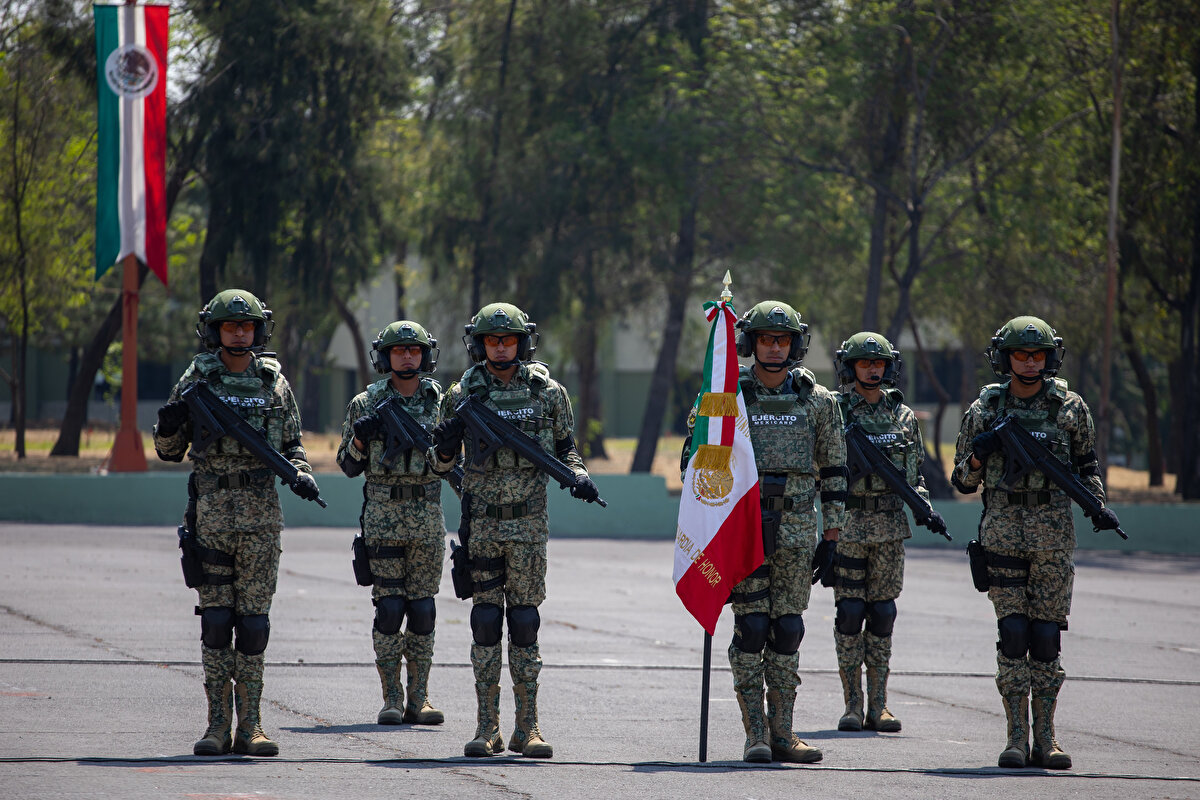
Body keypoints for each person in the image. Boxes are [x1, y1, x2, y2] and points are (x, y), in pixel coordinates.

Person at [428, 303, 600, 759]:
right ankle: (487, 728)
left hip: (528, 526)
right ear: (479, 344)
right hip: (482, 524)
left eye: (508, 340)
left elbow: (568, 450)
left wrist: (579, 476)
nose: (500, 347)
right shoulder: (461, 394)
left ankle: (529, 728)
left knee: (524, 623)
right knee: (486, 623)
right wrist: (446, 452)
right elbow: (439, 465)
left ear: (523, 342)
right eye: (491, 340)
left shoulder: (549, 393)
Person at [153, 289, 320, 757]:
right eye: (231, 326)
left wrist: (301, 473)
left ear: (259, 329)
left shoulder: (274, 382)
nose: (240, 333)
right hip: (212, 515)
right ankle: (215, 726)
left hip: (261, 519)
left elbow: (293, 445)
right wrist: (168, 424)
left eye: (246, 326)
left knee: (253, 624)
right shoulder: (196, 379)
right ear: (214, 331)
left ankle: (252, 726)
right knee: (216, 620)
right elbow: (169, 452)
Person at [952, 316, 1121, 769]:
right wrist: (980, 450)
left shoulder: (1071, 407)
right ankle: (1014, 738)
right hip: (1003, 532)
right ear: (1005, 358)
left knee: (1046, 638)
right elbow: (963, 481)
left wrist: (1097, 505)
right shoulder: (984, 409)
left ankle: (1046, 738)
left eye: (1038, 354)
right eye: (1021, 354)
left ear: (1050, 357)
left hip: (1053, 537)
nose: (1029, 362)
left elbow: (1088, 467)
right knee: (1013, 635)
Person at [684, 300, 846, 764]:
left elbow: (835, 471)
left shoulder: (819, 401)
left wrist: (833, 534)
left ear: (795, 344)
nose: (774, 348)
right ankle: (755, 732)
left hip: (797, 529)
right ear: (749, 344)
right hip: (744, 530)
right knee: (752, 627)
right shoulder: (724, 398)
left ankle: (784, 733)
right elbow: (692, 463)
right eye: (765, 340)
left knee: (788, 629)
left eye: (782, 340)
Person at [831, 332, 946, 733]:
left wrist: (924, 507)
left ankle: (879, 705)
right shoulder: (835, 411)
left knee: (882, 615)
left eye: (878, 363)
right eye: (865, 363)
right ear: (850, 367)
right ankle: (851, 704)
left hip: (890, 529)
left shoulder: (903, 417)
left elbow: (914, 476)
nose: (873, 369)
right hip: (847, 526)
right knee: (849, 614)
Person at [336, 321, 448, 727]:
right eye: (399, 350)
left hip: (427, 519)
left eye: (414, 350)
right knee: (389, 608)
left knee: (423, 610)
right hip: (383, 517)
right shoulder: (366, 403)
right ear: (385, 356)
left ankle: (420, 697)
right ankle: (391, 698)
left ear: (424, 356)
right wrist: (361, 440)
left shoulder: (442, 402)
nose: (406, 356)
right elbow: (348, 466)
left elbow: (456, 461)